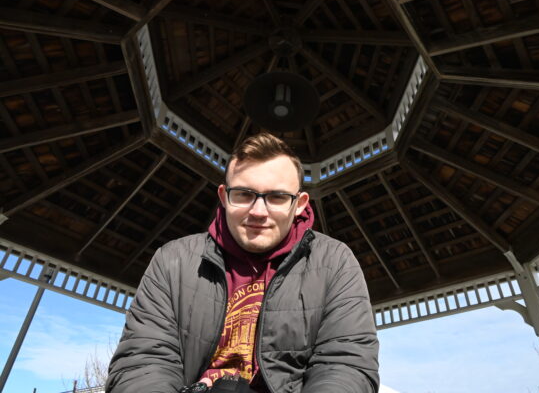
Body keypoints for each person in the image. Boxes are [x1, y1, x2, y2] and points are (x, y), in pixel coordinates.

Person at [106, 133, 379, 393]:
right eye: (244, 194)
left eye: (277, 197)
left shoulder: (335, 262)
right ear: (224, 197)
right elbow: (142, 361)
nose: (258, 211)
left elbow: (346, 364)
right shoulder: (172, 260)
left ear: (299, 203)